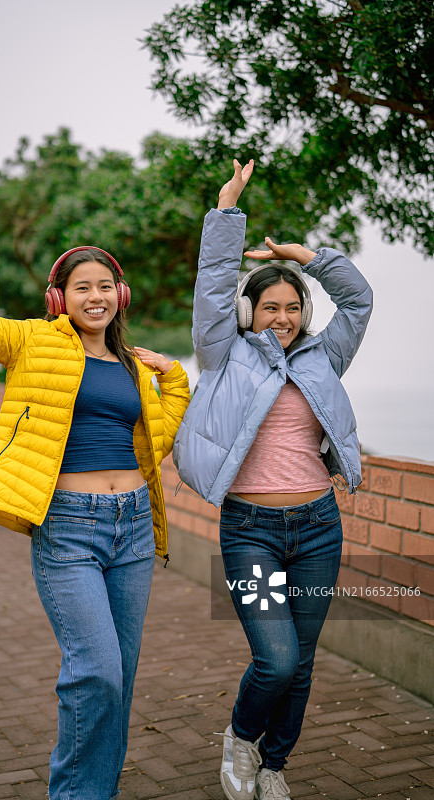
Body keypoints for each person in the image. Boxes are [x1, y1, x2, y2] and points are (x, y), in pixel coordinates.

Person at [0, 185, 190, 800]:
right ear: (61, 298)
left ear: (119, 295)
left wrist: (175, 380)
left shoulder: (131, 364)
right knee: (96, 671)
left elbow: (154, 440)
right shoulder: (32, 341)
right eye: (82, 287)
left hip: (131, 526)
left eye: (105, 286)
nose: (95, 296)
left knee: (120, 678)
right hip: (69, 526)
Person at [173, 161, 373, 800]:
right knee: (277, 659)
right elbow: (211, 286)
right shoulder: (223, 353)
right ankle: (240, 740)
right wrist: (228, 212)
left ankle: (273, 765)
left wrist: (310, 257)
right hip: (250, 531)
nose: (282, 317)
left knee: (303, 663)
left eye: (292, 307)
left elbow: (360, 298)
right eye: (270, 306)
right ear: (250, 311)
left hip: (317, 526)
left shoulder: (325, 355)